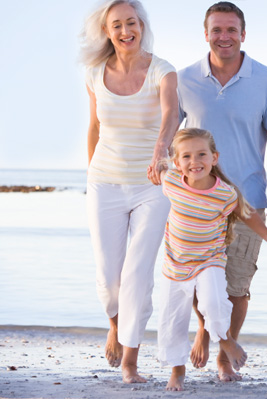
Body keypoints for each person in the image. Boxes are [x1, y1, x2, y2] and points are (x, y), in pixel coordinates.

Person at [177, 1, 267, 382]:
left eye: (231, 30)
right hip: (196, 203)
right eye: (216, 30)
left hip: (248, 201)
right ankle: (208, 329)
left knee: (237, 286)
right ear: (205, 33)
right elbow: (168, 139)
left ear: (243, 34)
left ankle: (226, 350)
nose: (224, 37)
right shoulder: (183, 80)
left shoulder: (265, 78)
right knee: (196, 284)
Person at [80, 0, 178, 384]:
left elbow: (171, 114)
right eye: (117, 25)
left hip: (153, 185)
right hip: (104, 182)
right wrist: (92, 176)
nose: (126, 31)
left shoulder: (162, 70)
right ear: (107, 31)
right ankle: (115, 324)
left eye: (132, 23)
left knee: (137, 274)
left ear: (142, 25)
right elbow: (94, 127)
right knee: (108, 277)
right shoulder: (92, 73)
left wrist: (160, 152)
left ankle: (130, 362)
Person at [155, 128, 267, 391]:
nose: (195, 161)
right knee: (172, 320)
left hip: (209, 261)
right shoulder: (171, 182)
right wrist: (155, 162)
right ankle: (177, 371)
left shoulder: (224, 193)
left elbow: (247, 214)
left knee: (215, 302)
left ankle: (225, 339)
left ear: (214, 158)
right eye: (187, 157)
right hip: (176, 265)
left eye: (202, 154)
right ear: (178, 162)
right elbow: (156, 168)